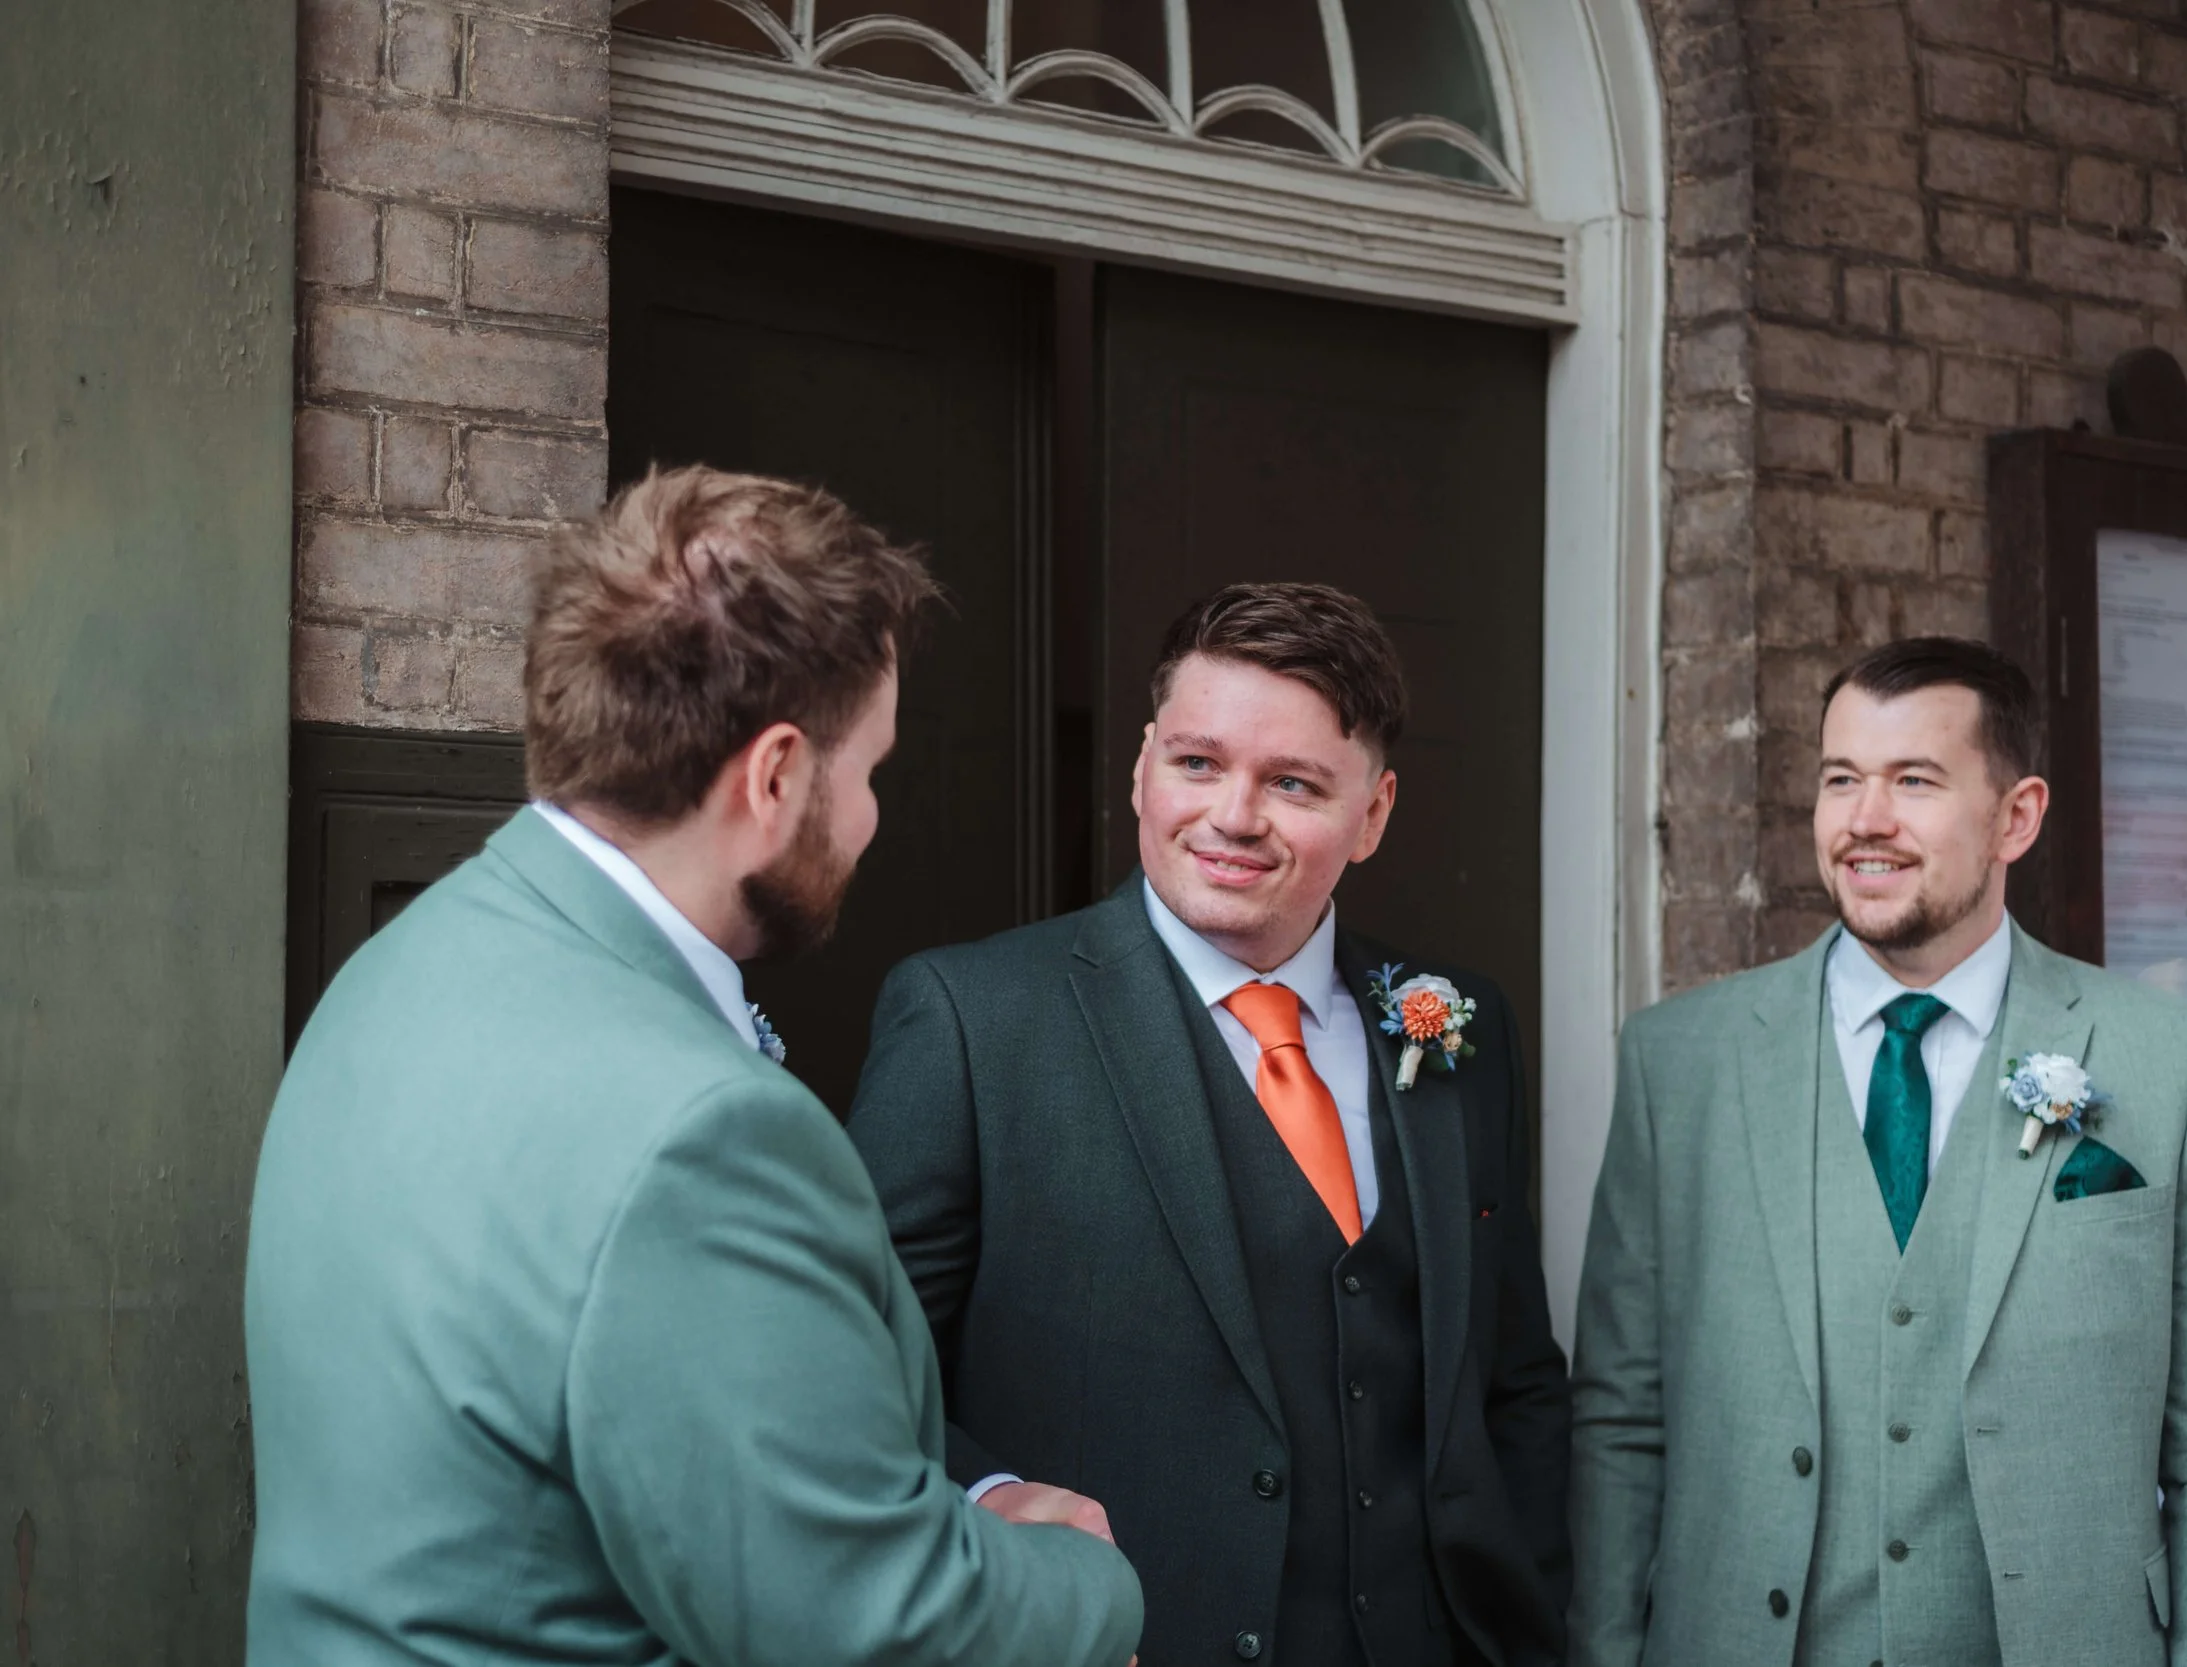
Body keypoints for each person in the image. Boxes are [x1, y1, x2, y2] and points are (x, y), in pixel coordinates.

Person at [245, 467, 1144, 1667]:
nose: (870, 818)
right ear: (775, 778)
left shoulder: (403, 963)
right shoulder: (698, 1134)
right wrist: (1091, 1587)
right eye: (870, 770)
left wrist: (961, 1507)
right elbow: (870, 1629)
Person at [849, 583, 1571, 1667]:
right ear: (1143, 765)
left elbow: (1514, 1376)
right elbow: (846, 1359)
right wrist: (989, 1494)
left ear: (1373, 813)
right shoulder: (971, 1018)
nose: (1234, 815)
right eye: (1197, 762)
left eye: (1292, 782)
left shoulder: (1465, 1027)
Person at [1570, 636, 2187, 1667]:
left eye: (1913, 779)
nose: (1866, 818)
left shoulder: (2170, 1061)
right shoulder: (1677, 1064)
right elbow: (1618, 1427)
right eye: (1840, 779)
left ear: (2016, 817)